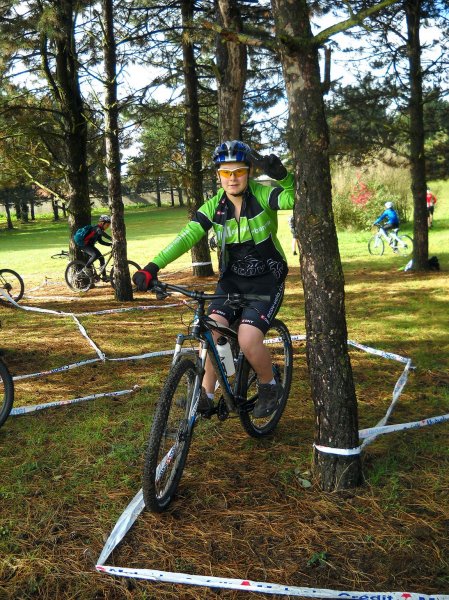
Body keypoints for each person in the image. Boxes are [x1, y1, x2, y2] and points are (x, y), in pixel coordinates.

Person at [133, 140, 295, 418]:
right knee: (212, 330)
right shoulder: (213, 207)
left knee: (247, 338)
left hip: (266, 280)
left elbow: (294, 198)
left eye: (239, 172)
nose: (232, 179)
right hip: (232, 281)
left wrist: (283, 176)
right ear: (218, 175)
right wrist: (152, 267)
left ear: (249, 172)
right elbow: (186, 237)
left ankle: (270, 386)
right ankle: (206, 394)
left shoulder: (264, 195)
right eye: (226, 173)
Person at [80, 214, 112, 281]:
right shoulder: (97, 228)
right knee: (94, 255)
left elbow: (101, 241)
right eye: (107, 225)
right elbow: (102, 233)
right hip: (84, 245)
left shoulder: (99, 230)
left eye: (109, 225)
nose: (108, 227)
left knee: (101, 258)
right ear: (102, 223)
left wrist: (110, 244)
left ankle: (104, 276)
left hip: (90, 246)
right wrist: (111, 238)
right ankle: (86, 268)